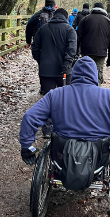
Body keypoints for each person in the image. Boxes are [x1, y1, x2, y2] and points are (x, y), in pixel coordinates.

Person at [19, 57, 110, 170]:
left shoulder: (56, 94)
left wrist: (26, 147)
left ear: (74, 74)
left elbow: (30, 117)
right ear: (95, 75)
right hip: (97, 155)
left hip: (62, 153)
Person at [31, 8, 77, 138]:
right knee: (65, 99)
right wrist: (67, 63)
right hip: (64, 71)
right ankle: (64, 127)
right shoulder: (70, 30)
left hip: (46, 71)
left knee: (48, 99)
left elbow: (35, 48)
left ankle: (47, 128)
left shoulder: (43, 29)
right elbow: (72, 49)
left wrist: (42, 61)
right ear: (66, 17)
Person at [76, 2, 110, 84]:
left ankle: (84, 91)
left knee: (86, 72)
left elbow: (78, 37)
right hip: (101, 53)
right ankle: (97, 92)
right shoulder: (108, 22)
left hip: (86, 52)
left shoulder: (85, 19)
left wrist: (76, 52)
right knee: (98, 73)